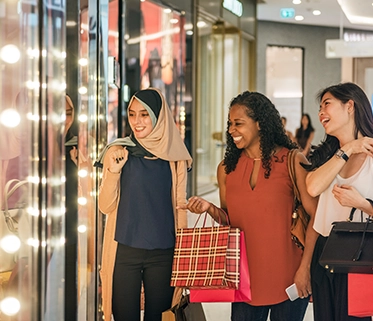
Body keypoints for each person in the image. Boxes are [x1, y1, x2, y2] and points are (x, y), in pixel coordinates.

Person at [180, 91, 319, 321]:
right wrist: (209, 208)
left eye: (238, 123)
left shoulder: (292, 161)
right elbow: (230, 222)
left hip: (290, 277)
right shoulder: (226, 169)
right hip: (244, 280)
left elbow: (316, 217)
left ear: (260, 124)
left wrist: (305, 270)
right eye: (229, 124)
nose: (231, 130)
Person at [96, 88, 192, 321]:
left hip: (164, 252)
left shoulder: (175, 156)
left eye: (144, 114)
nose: (137, 122)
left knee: (158, 317)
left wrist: (184, 257)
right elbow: (105, 206)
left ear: (159, 117)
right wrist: (113, 172)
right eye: (132, 114)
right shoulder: (118, 151)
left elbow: (179, 207)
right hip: (125, 251)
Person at [304, 82, 373, 321]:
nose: (321, 112)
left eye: (327, 104)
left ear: (350, 106)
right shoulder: (327, 154)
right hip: (325, 254)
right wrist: (348, 149)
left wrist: (363, 204)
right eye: (320, 106)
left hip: (360, 253)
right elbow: (313, 187)